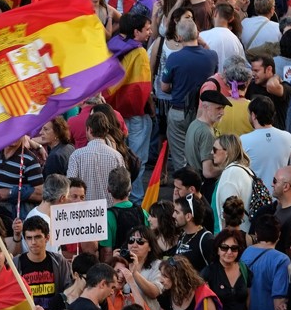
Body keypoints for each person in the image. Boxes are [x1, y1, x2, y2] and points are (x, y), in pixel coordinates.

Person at [105, 13, 153, 203]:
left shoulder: (115, 45)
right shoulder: (139, 52)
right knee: (137, 160)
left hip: (116, 114)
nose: (150, 32)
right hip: (135, 115)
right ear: (136, 32)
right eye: (147, 29)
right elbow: (142, 88)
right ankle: (136, 199)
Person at [161, 18, 218, 172]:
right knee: (203, 152)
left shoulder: (174, 58)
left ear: (179, 37)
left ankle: (184, 183)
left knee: (180, 155)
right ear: (197, 34)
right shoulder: (211, 56)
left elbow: (164, 87)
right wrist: (204, 44)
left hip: (179, 111)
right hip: (203, 111)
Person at [201, 228, 252, 310]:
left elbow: (248, 298)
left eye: (234, 248)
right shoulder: (209, 272)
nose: (229, 252)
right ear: (217, 249)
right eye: (224, 247)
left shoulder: (244, 269)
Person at [67, 112, 125, 205]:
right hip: (109, 211)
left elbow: (70, 185)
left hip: (84, 211)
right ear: (106, 131)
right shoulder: (117, 156)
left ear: (89, 129)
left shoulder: (76, 155)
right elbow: (123, 186)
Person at [241, 96, 291, 191]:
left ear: (253, 115)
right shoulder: (287, 137)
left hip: (255, 197)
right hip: (281, 195)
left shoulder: (244, 140)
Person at [184, 90, 231, 183]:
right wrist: (228, 167)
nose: (222, 112)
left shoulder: (194, 123)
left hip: (191, 177)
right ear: (205, 107)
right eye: (218, 108)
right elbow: (208, 172)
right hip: (202, 183)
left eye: (223, 108)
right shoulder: (207, 133)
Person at [213, 134, 255, 233]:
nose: (211, 152)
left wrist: (224, 240)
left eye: (215, 149)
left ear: (227, 152)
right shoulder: (242, 169)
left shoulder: (230, 175)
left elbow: (230, 216)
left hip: (231, 238)